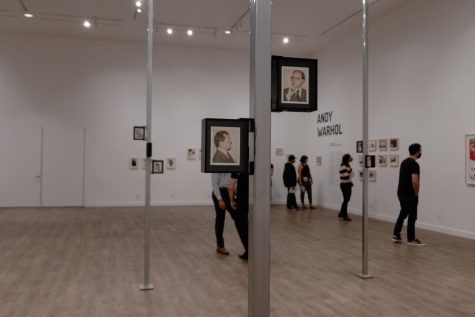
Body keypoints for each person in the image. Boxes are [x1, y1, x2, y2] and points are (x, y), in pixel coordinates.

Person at [392, 143, 425, 246]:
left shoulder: (404, 162)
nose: (421, 152)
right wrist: (416, 193)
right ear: (416, 152)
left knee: (403, 213)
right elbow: (415, 181)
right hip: (410, 194)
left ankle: (396, 234)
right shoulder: (414, 164)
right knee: (412, 216)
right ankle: (411, 239)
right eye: (420, 150)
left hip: (401, 193)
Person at [211, 173, 248, 256]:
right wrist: (219, 199)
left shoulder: (234, 165)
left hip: (230, 193)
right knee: (220, 219)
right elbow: (214, 183)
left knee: (239, 219)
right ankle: (220, 246)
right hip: (221, 192)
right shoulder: (217, 166)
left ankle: (247, 247)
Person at [228, 172, 249, 260]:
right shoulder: (257, 166)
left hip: (241, 200)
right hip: (256, 198)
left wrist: (231, 200)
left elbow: (230, 187)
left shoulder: (237, 168)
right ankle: (258, 250)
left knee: (242, 225)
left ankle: (248, 249)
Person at [338, 154, 354, 221]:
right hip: (345, 185)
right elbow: (345, 176)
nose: (351, 158)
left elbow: (349, 174)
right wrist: (351, 174)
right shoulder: (343, 166)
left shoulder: (347, 165)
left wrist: (350, 174)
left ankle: (341, 213)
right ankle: (345, 215)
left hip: (348, 184)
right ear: (347, 158)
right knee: (346, 200)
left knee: (346, 199)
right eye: (350, 157)